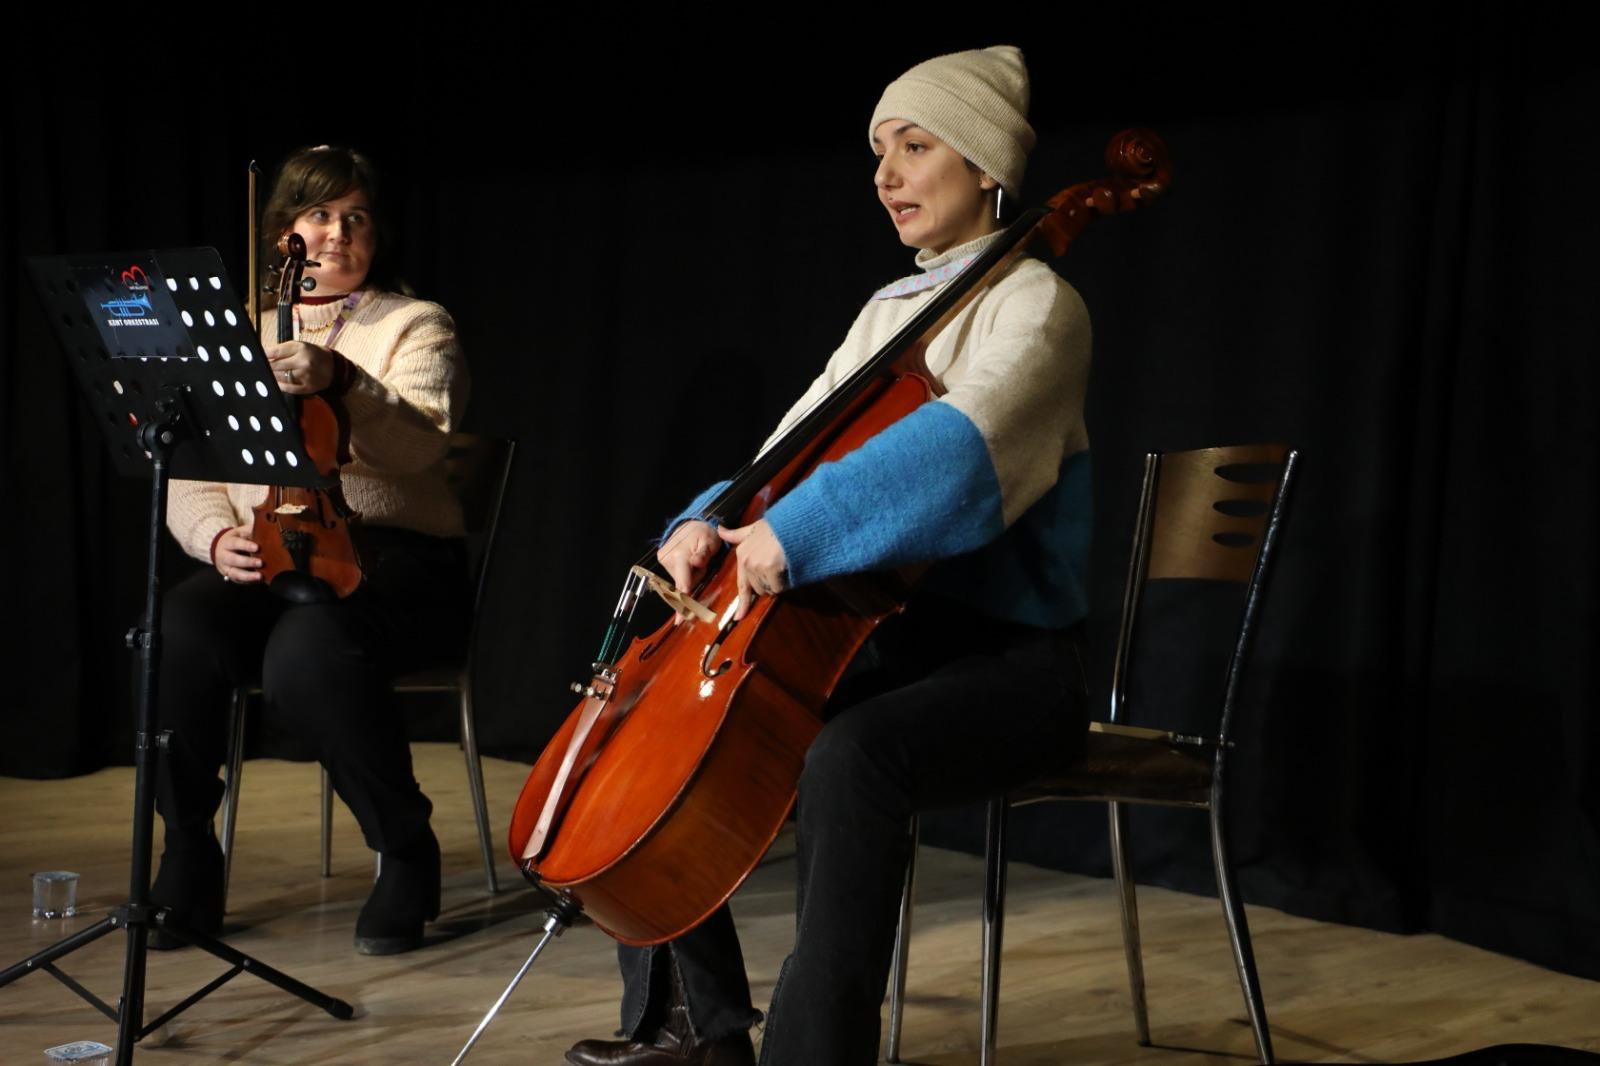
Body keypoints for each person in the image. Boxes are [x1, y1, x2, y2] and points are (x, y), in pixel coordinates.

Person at [564, 46, 1093, 1066]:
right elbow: (786, 451)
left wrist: (799, 534)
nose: (885, 174)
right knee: (669, 712)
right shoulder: (889, 312)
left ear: (986, 164)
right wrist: (710, 518)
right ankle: (693, 1023)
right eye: (878, 152)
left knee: (850, 756)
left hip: (1015, 665)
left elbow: (960, 453)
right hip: (884, 644)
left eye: (915, 146)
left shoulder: (1040, 306)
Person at [153, 145, 470, 955]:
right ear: (283, 233)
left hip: (397, 560)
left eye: (356, 217)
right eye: (320, 214)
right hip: (268, 548)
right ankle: (187, 852)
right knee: (176, 630)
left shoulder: (415, 324)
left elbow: (420, 446)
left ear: (376, 235)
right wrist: (214, 537)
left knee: (308, 652)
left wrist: (345, 382)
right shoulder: (241, 334)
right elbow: (191, 472)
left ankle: (404, 847)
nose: (338, 232)